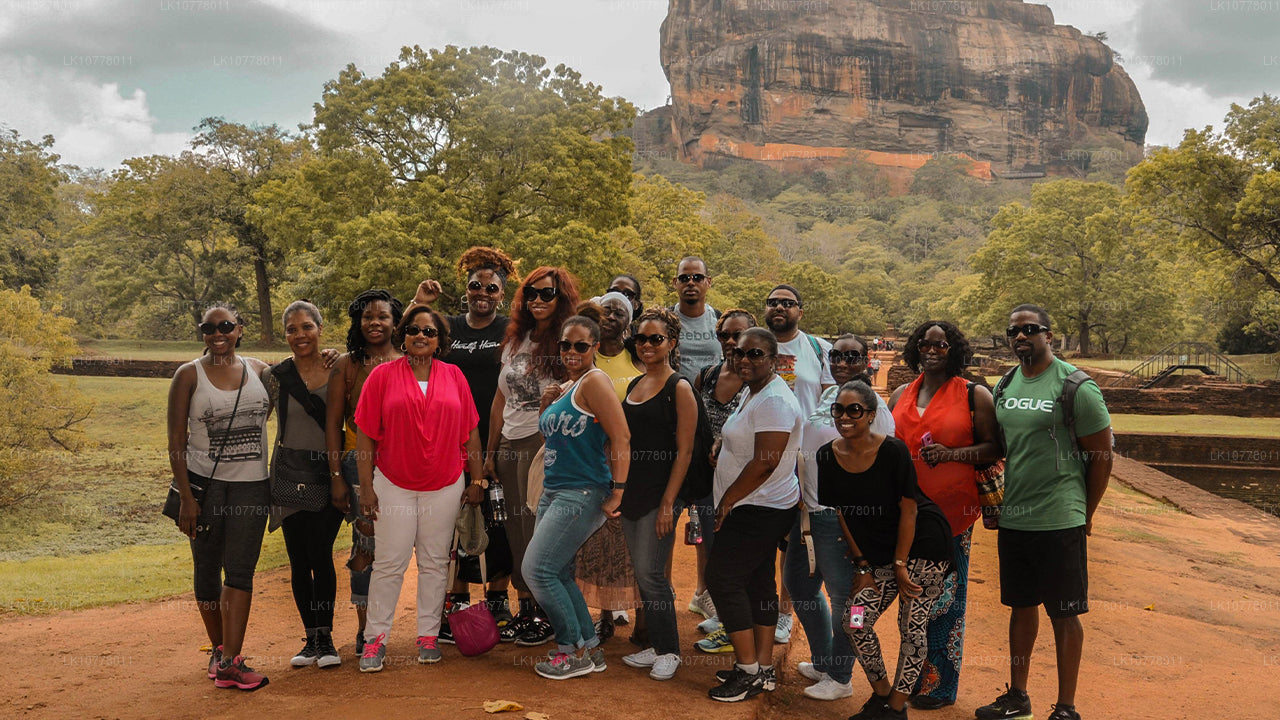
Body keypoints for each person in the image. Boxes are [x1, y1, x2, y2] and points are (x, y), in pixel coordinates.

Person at [975, 305, 1112, 720]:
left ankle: (1066, 707)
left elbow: (1102, 456)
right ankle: (1018, 697)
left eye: (1030, 329)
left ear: (1049, 335)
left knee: (1065, 613)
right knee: (1021, 607)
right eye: (1013, 331)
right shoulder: (1005, 384)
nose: (1020, 336)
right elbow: (1002, 446)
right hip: (1016, 515)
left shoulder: (1075, 386)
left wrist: (1085, 512)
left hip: (1059, 516)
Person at [356, 306, 486, 672]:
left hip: (445, 484)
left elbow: (471, 432)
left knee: (434, 563)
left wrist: (477, 479)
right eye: (414, 330)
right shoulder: (382, 376)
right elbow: (365, 436)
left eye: (429, 332)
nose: (421, 336)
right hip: (393, 483)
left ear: (440, 341)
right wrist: (366, 488)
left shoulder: (454, 375)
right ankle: (375, 639)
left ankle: (428, 635)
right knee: (389, 563)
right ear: (403, 336)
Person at [817, 380, 954, 720]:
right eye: (838, 410)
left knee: (912, 626)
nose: (844, 417)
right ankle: (883, 696)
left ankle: (894, 709)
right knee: (854, 620)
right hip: (879, 555)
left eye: (854, 410)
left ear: (870, 415)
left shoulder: (893, 451)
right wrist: (862, 566)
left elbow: (909, 509)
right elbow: (842, 513)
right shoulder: (826, 456)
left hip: (923, 546)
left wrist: (900, 564)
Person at [888, 321, 1001, 710]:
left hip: (953, 515)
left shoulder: (974, 394)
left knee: (945, 603)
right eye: (925, 343)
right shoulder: (902, 393)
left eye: (941, 344)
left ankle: (938, 686)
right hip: (905, 514)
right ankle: (910, 678)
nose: (932, 350)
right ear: (915, 348)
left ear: (954, 349)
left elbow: (994, 447)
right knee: (911, 600)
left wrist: (952, 454)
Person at [408, 247, 520, 637]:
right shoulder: (447, 326)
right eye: (475, 286)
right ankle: (455, 604)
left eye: (491, 288)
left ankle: (497, 601)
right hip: (447, 440)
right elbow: (405, 336)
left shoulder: (510, 330)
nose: (482, 293)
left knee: (499, 522)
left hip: (497, 438)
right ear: (466, 289)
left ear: (501, 294)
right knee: (451, 523)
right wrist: (420, 302)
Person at [785, 334, 896, 701]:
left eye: (852, 356)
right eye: (835, 356)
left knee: (846, 601)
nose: (842, 362)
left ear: (866, 361)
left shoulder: (875, 407)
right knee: (800, 587)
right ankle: (824, 660)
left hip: (842, 519)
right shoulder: (830, 396)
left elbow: (882, 468)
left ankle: (841, 675)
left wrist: (864, 524)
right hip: (808, 512)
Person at [166, 304, 272, 691]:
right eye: (209, 328)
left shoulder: (261, 371)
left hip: (252, 486)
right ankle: (218, 649)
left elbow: (304, 377)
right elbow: (176, 441)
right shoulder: (188, 375)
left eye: (226, 325)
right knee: (207, 569)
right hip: (204, 487)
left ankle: (230, 662)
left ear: (239, 329)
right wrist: (187, 498)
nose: (218, 333)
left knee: (240, 571)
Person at [524, 312, 631, 679]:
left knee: (537, 570)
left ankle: (572, 651)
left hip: (582, 490)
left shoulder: (595, 381)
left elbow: (621, 436)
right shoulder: (569, 386)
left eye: (580, 345)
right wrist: (546, 406)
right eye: (565, 344)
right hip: (555, 489)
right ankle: (590, 649)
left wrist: (618, 491)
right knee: (559, 572)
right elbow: (555, 440)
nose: (571, 351)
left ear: (595, 347)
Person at [704, 328, 803, 703]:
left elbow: (765, 462)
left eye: (755, 354)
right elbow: (747, 436)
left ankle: (747, 671)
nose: (744, 359)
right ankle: (761, 669)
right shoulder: (754, 390)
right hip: (757, 504)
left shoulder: (774, 400)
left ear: (774, 359)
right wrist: (722, 441)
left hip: (758, 506)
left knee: (722, 579)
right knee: (758, 583)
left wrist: (727, 500)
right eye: (739, 353)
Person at [485, 266, 581, 646]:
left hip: (541, 445)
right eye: (531, 293)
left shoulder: (566, 341)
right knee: (515, 530)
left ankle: (546, 614)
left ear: (561, 298)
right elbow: (499, 400)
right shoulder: (516, 340)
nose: (537, 300)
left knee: (535, 530)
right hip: (509, 445)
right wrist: (491, 452)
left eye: (547, 293)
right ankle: (527, 611)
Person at [265, 301, 345, 670]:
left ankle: (326, 637)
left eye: (307, 327)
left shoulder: (338, 368)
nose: (300, 335)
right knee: (298, 559)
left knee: (320, 554)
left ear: (320, 329)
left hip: (329, 473)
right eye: (292, 329)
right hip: (288, 475)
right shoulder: (276, 376)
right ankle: (310, 638)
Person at [617, 307, 695, 681]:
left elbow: (686, 450)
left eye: (656, 339)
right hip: (633, 490)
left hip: (662, 494)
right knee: (642, 571)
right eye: (641, 338)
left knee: (652, 573)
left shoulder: (679, 387)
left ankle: (669, 650)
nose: (647, 345)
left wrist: (668, 504)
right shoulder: (636, 384)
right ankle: (657, 644)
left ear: (672, 343)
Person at [325, 289, 403, 656]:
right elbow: (333, 425)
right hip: (359, 464)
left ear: (395, 322)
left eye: (383, 317)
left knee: (405, 544)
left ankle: (431, 624)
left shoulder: (410, 360)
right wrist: (336, 477)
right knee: (365, 543)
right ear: (358, 322)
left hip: (404, 463)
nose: (375, 323)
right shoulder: (347, 365)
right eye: (367, 317)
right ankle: (365, 629)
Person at [571, 297, 642, 643]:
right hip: (593, 460)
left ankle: (638, 617)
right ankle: (604, 615)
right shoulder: (587, 354)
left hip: (635, 460)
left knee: (629, 542)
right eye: (606, 311)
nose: (611, 316)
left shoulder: (639, 356)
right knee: (596, 541)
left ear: (629, 320)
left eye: (619, 312)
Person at [768, 283, 834, 645]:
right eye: (773, 302)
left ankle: (784, 613)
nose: (780, 307)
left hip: (803, 459)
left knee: (794, 538)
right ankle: (756, 609)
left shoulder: (818, 349)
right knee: (760, 534)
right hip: (761, 455)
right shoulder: (755, 344)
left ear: (800, 311)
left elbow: (830, 400)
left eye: (788, 303)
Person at [691, 308, 757, 652]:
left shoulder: (757, 382)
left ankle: (739, 628)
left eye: (738, 335)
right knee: (714, 549)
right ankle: (726, 618)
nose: (731, 341)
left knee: (738, 554)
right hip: (707, 481)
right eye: (724, 335)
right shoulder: (707, 376)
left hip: (743, 482)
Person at [671, 257, 720, 382]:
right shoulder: (665, 321)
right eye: (684, 278)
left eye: (698, 278)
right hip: (673, 392)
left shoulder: (720, 320)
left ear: (708, 282)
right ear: (675, 282)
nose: (691, 283)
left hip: (713, 392)